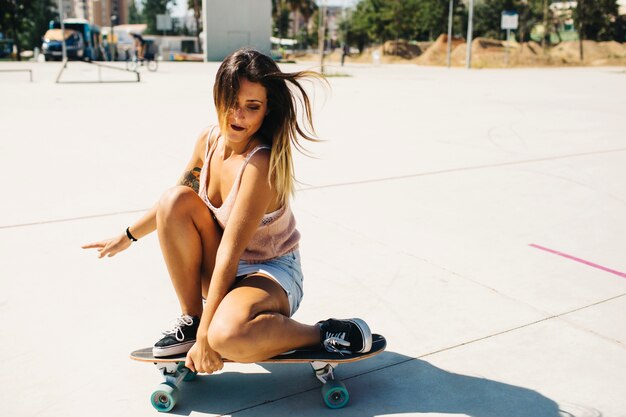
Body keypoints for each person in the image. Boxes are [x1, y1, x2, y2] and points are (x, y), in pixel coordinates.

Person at [82, 48, 372, 374]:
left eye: (253, 107)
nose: (239, 115)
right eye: (232, 101)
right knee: (176, 198)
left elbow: (230, 253)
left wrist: (209, 338)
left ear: (266, 112)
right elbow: (172, 204)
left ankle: (326, 331)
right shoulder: (209, 139)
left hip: (269, 271)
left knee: (227, 337)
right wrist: (127, 236)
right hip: (224, 263)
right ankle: (191, 320)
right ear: (218, 95)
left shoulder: (260, 164)